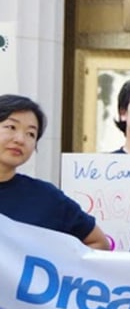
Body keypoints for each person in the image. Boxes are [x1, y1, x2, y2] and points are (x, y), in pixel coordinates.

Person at [0, 94, 110, 250]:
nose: (20, 139)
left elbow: (99, 243)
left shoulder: (45, 197)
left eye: (31, 134)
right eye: (11, 127)